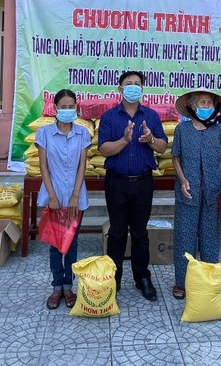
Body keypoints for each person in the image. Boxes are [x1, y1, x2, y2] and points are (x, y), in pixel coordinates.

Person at [98, 71, 168, 301]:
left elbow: (161, 147)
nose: (133, 88)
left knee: (140, 232)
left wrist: (150, 139)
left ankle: (142, 277)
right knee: (117, 233)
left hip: (143, 183)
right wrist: (124, 141)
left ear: (142, 89)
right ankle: (113, 279)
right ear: (119, 89)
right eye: (128, 84)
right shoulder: (109, 117)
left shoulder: (151, 116)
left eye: (137, 84)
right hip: (116, 182)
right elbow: (104, 149)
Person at [171, 87, 221, 300]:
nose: (206, 107)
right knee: (185, 239)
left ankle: (208, 281)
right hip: (188, 192)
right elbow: (175, 157)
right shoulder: (182, 130)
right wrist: (183, 178)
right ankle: (182, 282)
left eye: (209, 103)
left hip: (212, 193)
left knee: (210, 239)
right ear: (193, 106)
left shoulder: (216, 131)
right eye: (202, 103)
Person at [35, 89, 90, 310]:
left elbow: (82, 166)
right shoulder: (44, 133)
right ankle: (57, 286)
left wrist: (75, 196)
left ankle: (69, 286)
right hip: (54, 194)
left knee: (73, 244)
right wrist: (53, 196)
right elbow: (43, 167)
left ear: (76, 108)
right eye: (63, 106)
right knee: (56, 244)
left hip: (77, 196)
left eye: (71, 106)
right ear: (55, 109)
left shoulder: (83, 133)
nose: (67, 110)